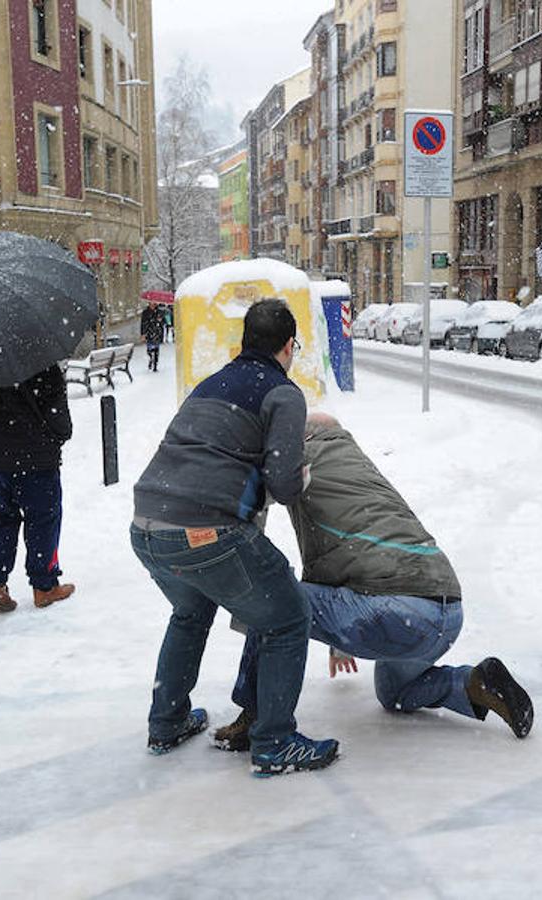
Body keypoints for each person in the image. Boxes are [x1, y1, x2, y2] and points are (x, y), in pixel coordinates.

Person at [212, 413, 534, 752]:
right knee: (395, 694)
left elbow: (289, 548)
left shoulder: (300, 463)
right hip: (444, 611)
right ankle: (474, 683)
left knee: (270, 596)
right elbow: (346, 549)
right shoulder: (359, 466)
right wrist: (341, 640)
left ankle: (254, 718)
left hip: (392, 609)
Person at [130, 298, 339, 776]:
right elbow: (285, 485)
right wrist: (302, 474)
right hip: (206, 531)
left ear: (244, 342)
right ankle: (275, 742)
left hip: (145, 525)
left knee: (191, 610)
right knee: (287, 617)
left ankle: (167, 721)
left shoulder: (208, 385)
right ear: (289, 347)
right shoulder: (282, 394)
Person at [0, 365, 75, 613]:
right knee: (43, 518)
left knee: (2, 516)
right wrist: (59, 436)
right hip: (35, 454)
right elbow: (58, 416)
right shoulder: (40, 358)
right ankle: (44, 585)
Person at [140, 302, 163, 372]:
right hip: (149, 332)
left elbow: (162, 322)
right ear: (149, 304)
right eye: (151, 303)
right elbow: (143, 323)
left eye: (154, 304)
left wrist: (160, 320)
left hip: (157, 332)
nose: (153, 305)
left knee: (156, 350)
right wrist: (143, 334)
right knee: (149, 350)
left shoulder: (159, 311)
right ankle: (151, 359)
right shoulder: (145, 312)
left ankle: (155, 365)